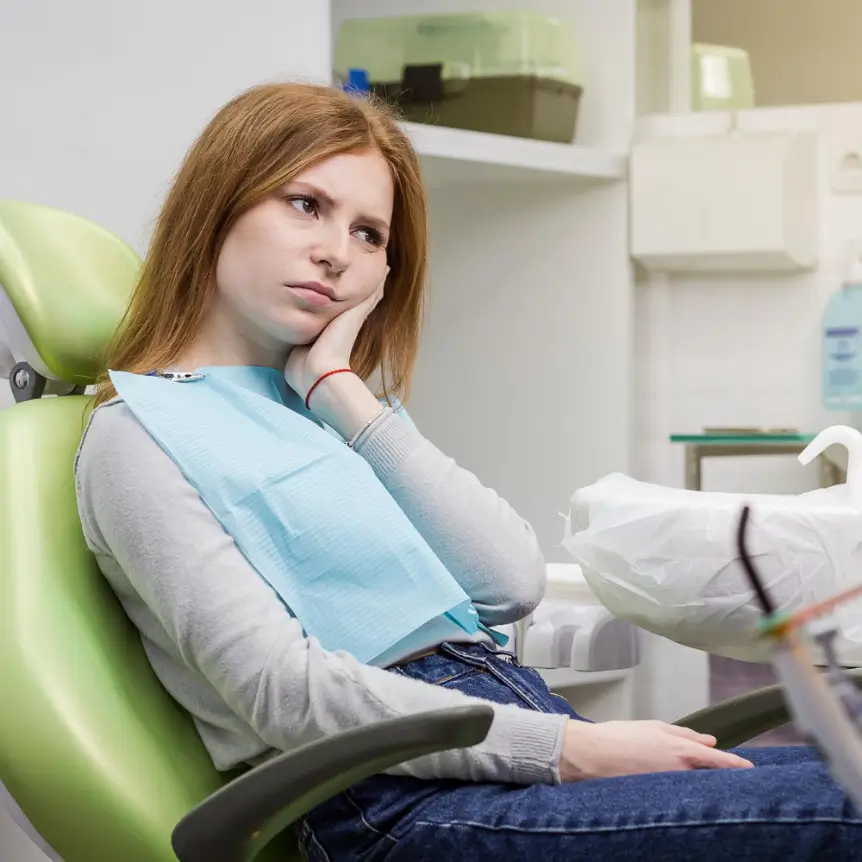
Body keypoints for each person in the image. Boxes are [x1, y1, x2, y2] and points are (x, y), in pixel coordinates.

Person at [74, 81, 862, 861]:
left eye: (370, 235)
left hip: (508, 745)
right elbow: (285, 693)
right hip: (396, 803)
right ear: (220, 201)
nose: (335, 253)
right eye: (306, 205)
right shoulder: (138, 437)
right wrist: (567, 748)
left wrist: (341, 391)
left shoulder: (325, 410)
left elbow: (507, 580)